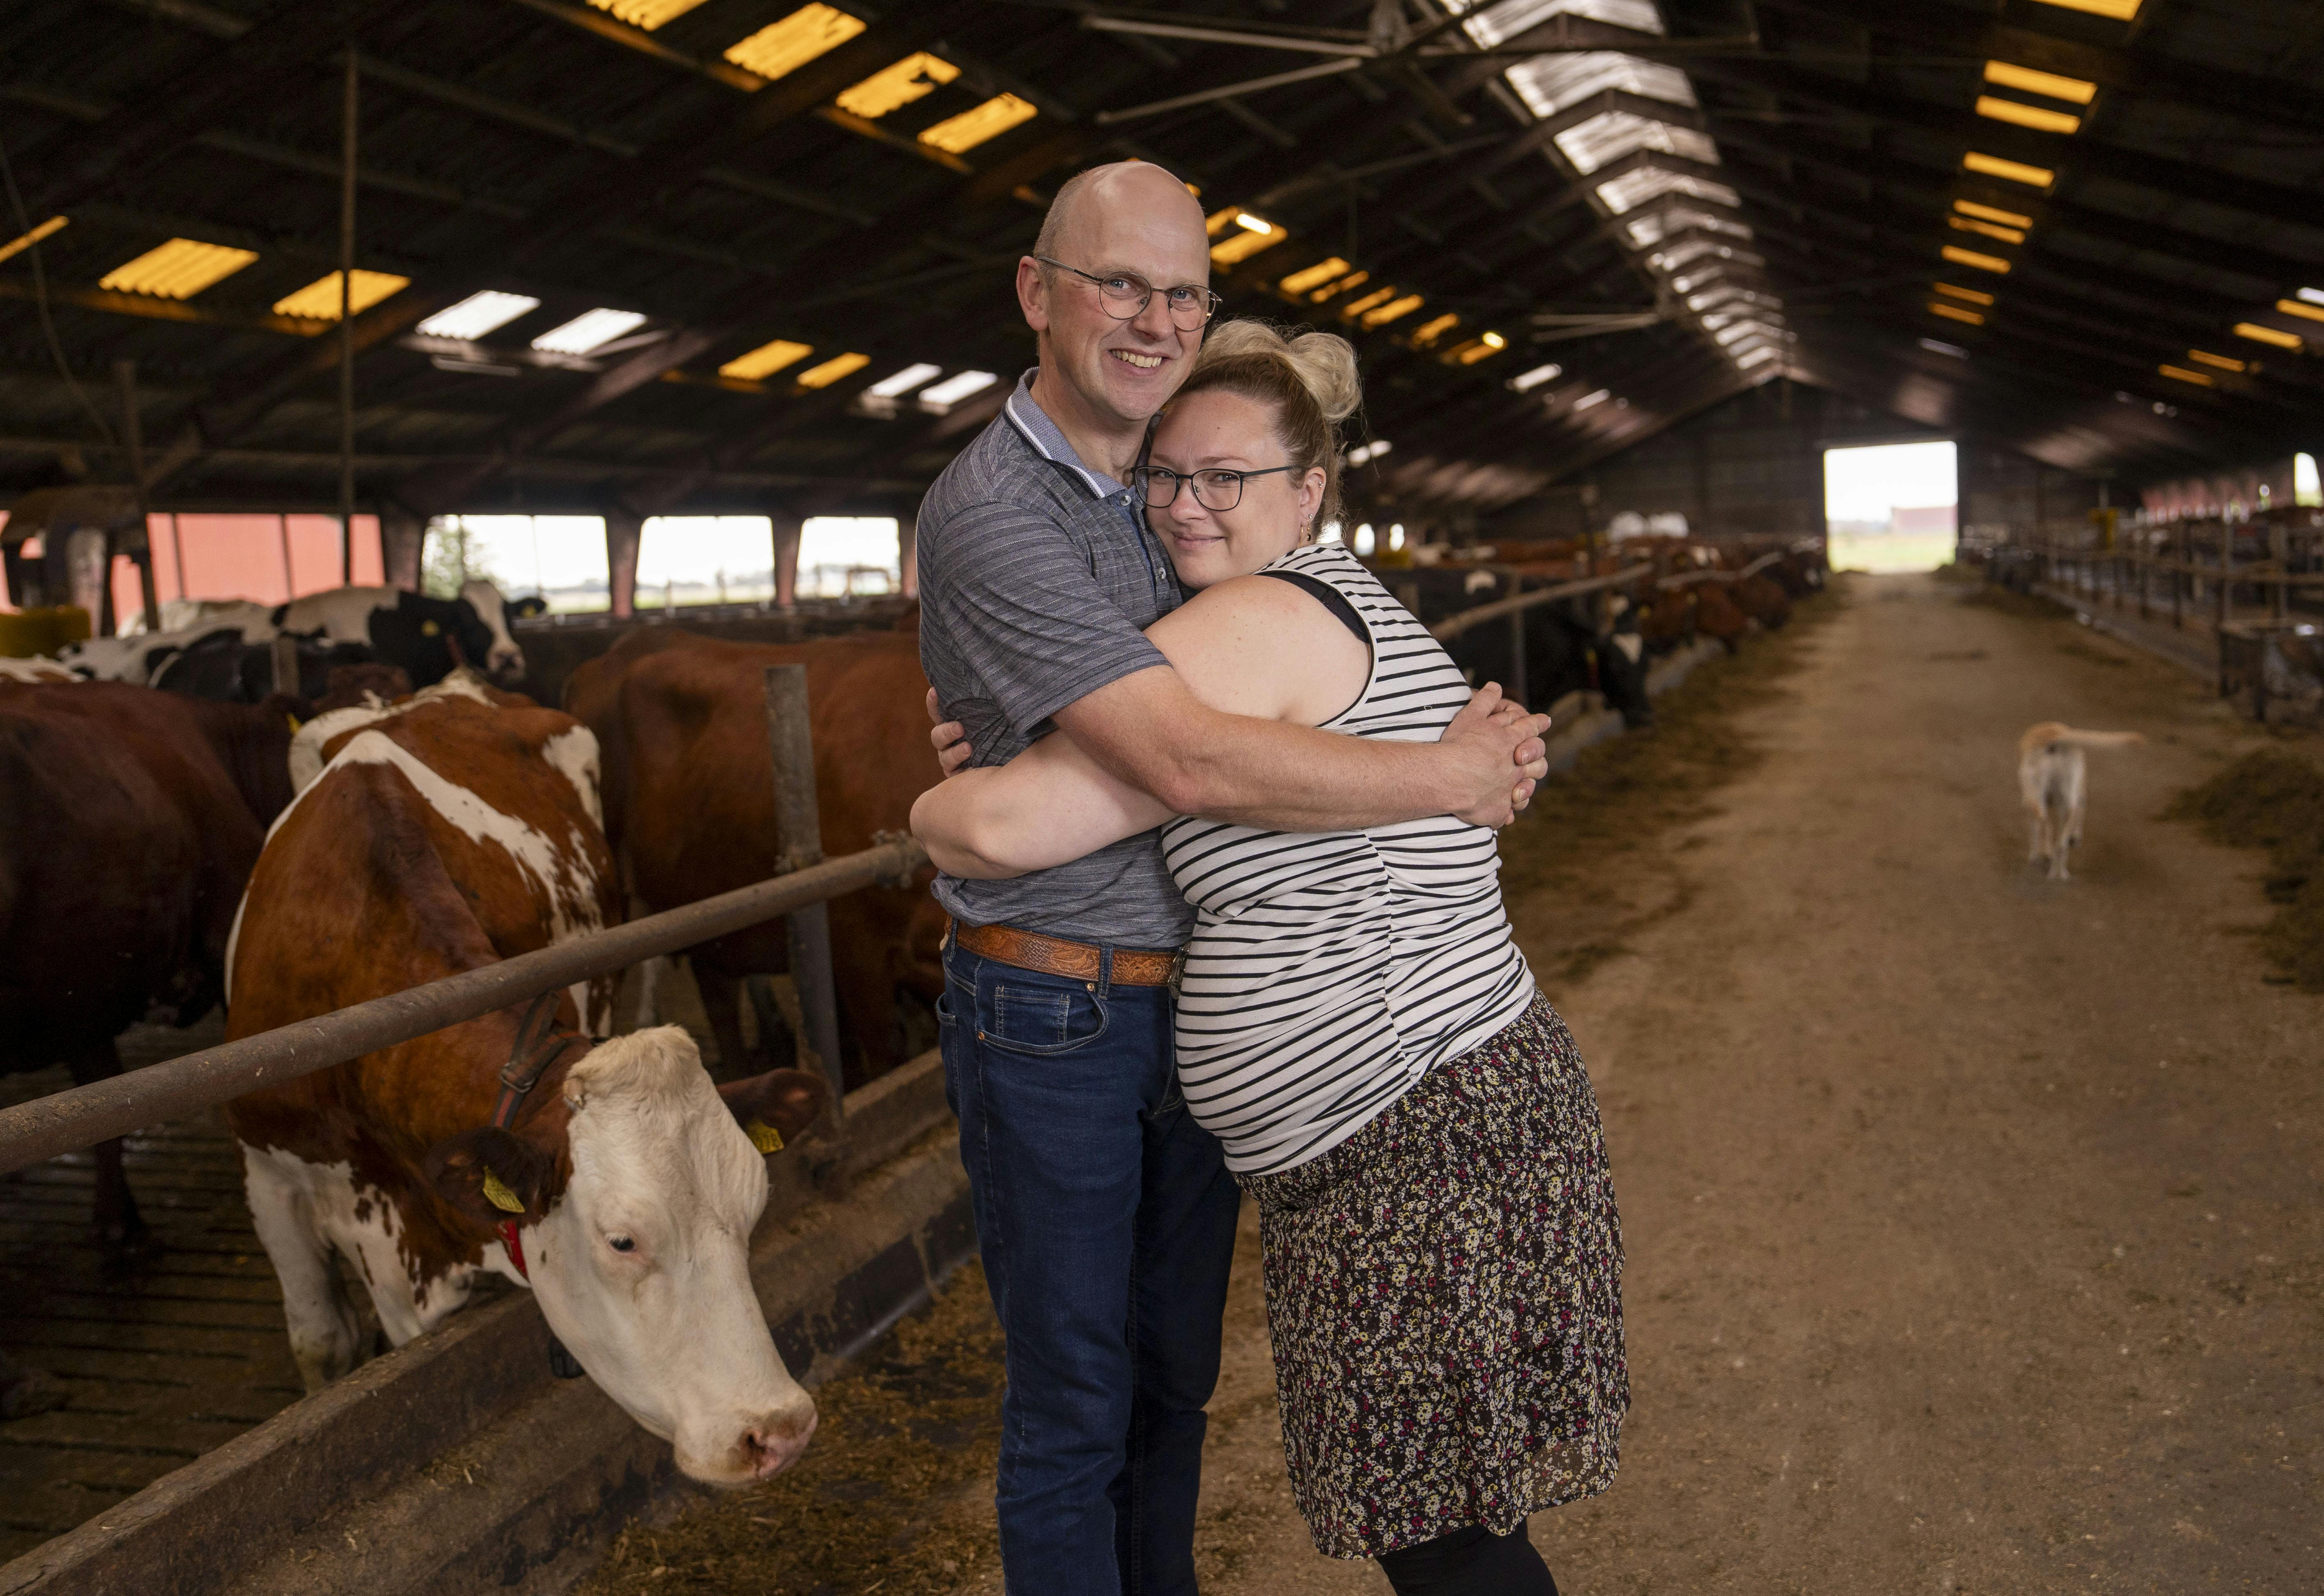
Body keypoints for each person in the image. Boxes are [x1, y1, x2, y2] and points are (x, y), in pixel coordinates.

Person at [912, 161, 1552, 1596]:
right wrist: (1447, 775)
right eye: (1119, 285)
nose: (1154, 321)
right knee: (1078, 1399)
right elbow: (1186, 761)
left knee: (1172, 1383)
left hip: (1191, 1010)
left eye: (1184, 296)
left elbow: (1256, 685)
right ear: (1036, 293)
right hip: (1056, 1009)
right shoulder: (997, 512)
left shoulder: (1171, 478)